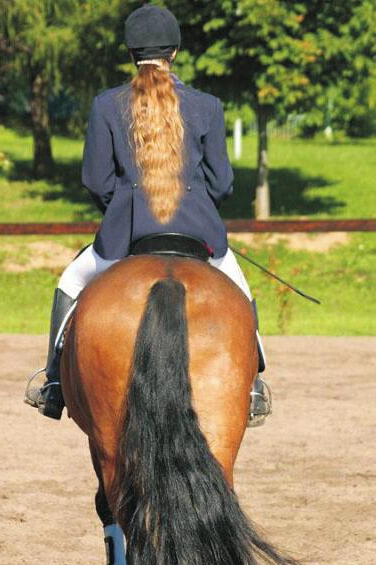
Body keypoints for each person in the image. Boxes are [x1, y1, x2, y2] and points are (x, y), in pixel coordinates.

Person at [25, 4, 271, 426]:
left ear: (131, 52)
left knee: (70, 282)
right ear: (174, 52)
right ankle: (253, 387)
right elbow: (223, 184)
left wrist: (122, 207)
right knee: (239, 293)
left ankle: (52, 383)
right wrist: (196, 208)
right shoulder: (207, 105)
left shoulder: (106, 105)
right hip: (198, 232)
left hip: (127, 235)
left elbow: (96, 179)